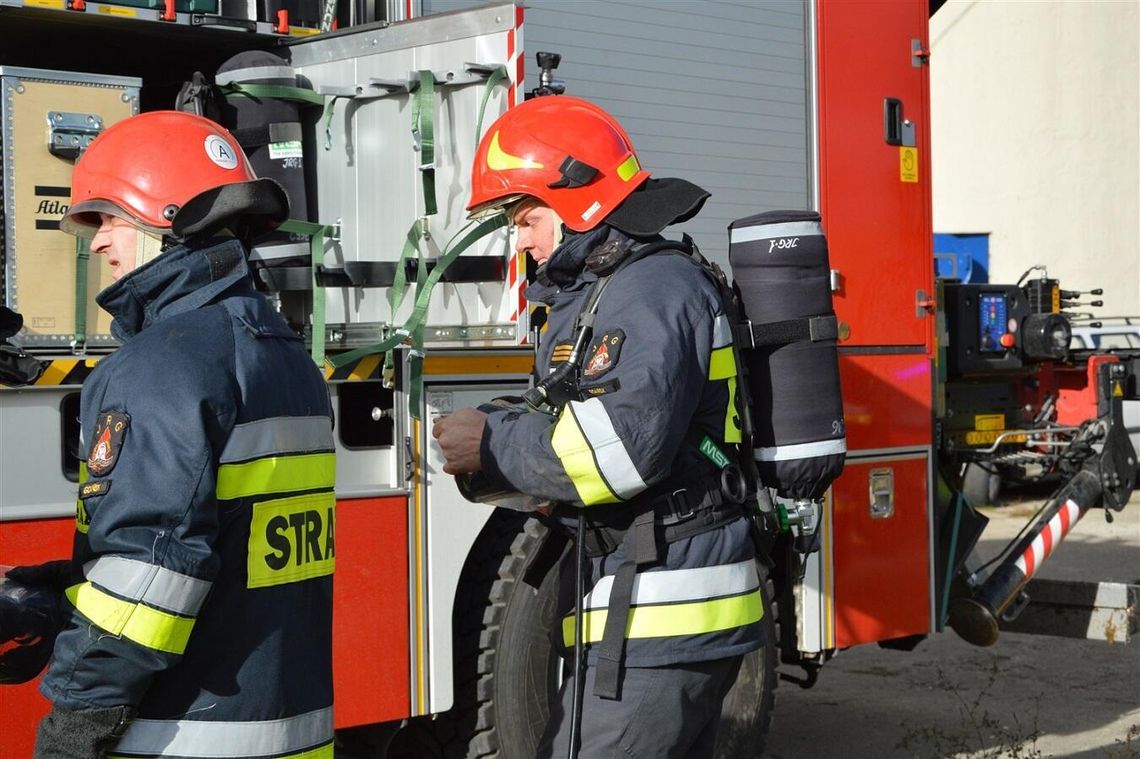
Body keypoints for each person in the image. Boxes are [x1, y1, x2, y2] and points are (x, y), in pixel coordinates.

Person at [433, 95, 765, 758]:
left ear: (577, 199)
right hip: (659, 607)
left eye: (525, 217)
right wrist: (505, 421)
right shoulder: (615, 289)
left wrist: (492, 442)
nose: (520, 239)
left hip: (661, 616)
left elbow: (616, 451)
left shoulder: (650, 290)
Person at [5, 111, 336, 758]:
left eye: (108, 219)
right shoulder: (287, 355)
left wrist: (73, 723)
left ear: (168, 217)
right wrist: (63, 584)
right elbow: (228, 542)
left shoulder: (159, 366)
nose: (97, 243)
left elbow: (148, 574)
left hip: (182, 737)